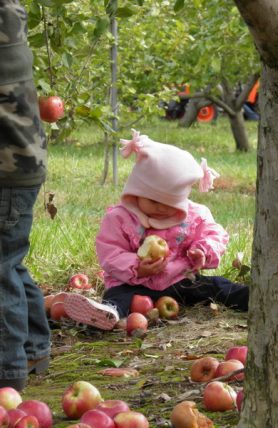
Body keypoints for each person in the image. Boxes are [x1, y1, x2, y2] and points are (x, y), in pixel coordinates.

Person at [63, 130, 249, 330]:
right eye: (153, 200)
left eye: (171, 204)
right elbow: (110, 252)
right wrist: (137, 267)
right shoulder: (120, 218)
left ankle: (250, 298)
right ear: (136, 190)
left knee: (215, 286)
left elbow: (214, 234)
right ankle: (106, 314)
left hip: (179, 279)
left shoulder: (194, 215)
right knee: (118, 296)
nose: (161, 208)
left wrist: (203, 251)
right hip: (134, 285)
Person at [0, 0, 51, 390]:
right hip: (23, 171)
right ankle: (35, 347)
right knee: (10, 261)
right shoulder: (12, 23)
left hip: (6, 173)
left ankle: (7, 372)